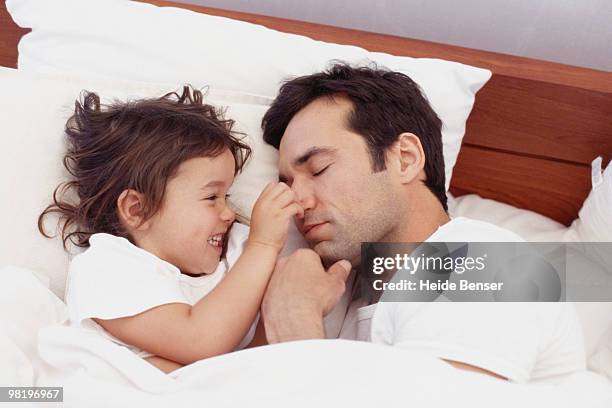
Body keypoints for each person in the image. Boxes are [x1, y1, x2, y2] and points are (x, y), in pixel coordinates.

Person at [259, 63, 586, 383]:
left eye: (319, 169)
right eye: (287, 184)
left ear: (405, 159)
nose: (296, 203)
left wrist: (297, 325)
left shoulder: (478, 262)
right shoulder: (355, 301)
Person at [38, 86, 302, 374]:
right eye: (211, 197)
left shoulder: (238, 251)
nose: (228, 213)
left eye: (227, 196)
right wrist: (263, 245)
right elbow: (199, 341)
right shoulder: (108, 266)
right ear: (136, 210)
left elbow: (261, 355)